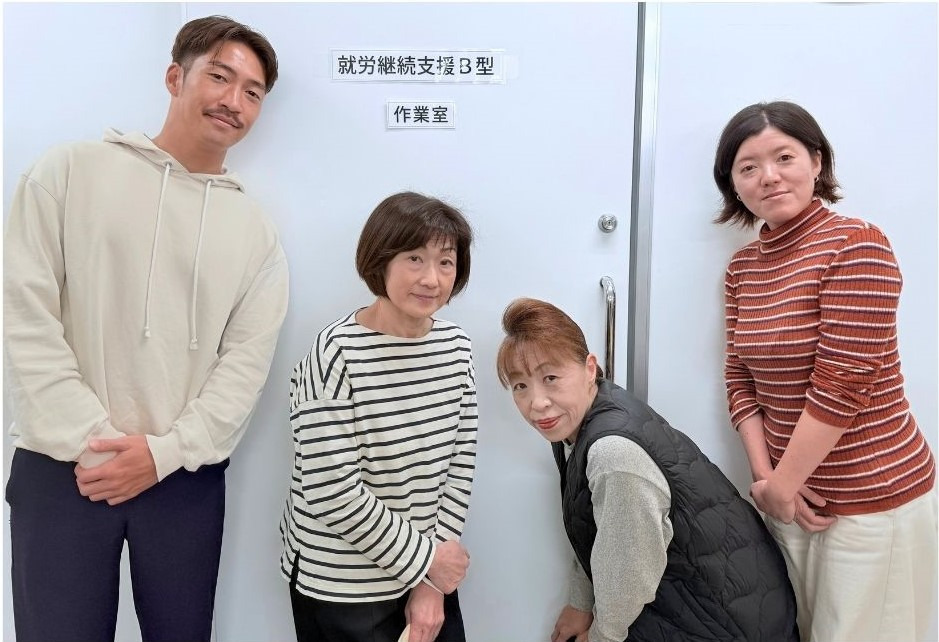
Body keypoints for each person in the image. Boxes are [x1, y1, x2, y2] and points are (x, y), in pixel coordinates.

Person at [3, 16, 288, 642]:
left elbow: (245, 366)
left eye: (252, 92)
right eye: (220, 77)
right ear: (174, 77)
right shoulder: (67, 173)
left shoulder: (255, 233)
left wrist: (163, 455)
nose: (234, 101)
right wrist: (96, 443)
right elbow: (25, 318)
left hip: (183, 476)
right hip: (62, 467)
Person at [714, 100, 937, 641]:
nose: (769, 176)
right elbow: (740, 379)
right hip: (790, 501)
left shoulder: (857, 244)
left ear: (816, 162)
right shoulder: (742, 268)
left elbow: (843, 384)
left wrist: (782, 486)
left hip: (870, 504)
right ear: (734, 186)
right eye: (748, 167)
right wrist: (769, 484)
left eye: (784, 157)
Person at [496, 297, 799, 642]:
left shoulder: (612, 452)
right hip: (721, 605)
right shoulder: (588, 415)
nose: (537, 403)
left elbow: (629, 579)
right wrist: (581, 603)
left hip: (725, 625)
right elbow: (601, 530)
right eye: (520, 386)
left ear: (590, 368)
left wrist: (601, 636)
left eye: (550, 377)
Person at [280, 191, 477, 642]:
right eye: (414, 258)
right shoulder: (334, 354)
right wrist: (428, 562)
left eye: (446, 262)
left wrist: (431, 583)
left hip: (427, 571)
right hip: (341, 580)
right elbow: (332, 491)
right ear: (380, 260)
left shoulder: (457, 348)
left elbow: (459, 465)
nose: (431, 278)